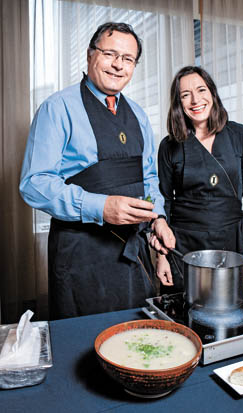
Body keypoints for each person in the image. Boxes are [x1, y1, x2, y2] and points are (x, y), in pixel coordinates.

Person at [19, 22, 175, 320]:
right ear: (91, 54)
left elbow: (149, 178)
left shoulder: (139, 115)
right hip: (80, 255)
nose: (118, 65)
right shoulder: (57, 108)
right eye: (110, 54)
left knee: (135, 337)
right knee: (82, 347)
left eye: (127, 59)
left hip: (133, 253)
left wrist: (159, 219)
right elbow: (33, 183)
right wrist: (100, 207)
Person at [152, 66, 243, 293]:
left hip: (231, 240)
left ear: (212, 93)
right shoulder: (169, 145)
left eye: (201, 90)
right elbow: (161, 202)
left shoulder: (239, 134)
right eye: (185, 95)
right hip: (182, 244)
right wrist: (161, 257)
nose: (195, 100)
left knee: (229, 309)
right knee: (184, 314)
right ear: (178, 103)